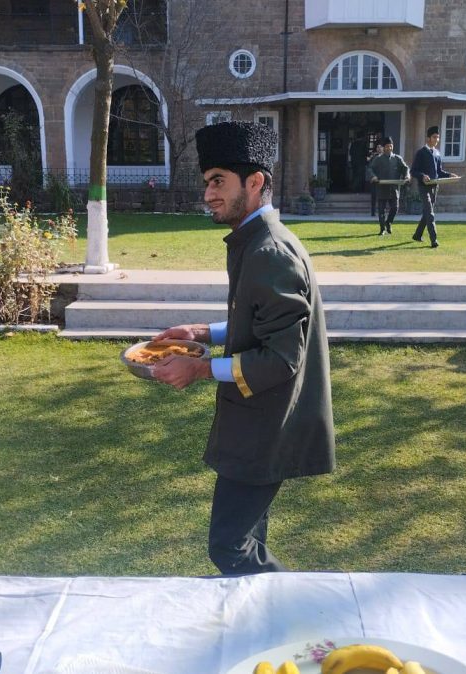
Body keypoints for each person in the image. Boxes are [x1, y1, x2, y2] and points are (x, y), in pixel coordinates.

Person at [150, 121, 336, 575]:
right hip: (257, 421)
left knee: (231, 546)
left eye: (218, 181)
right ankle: (264, 614)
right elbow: (257, 320)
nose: (208, 194)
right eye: (207, 182)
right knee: (247, 539)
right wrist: (202, 333)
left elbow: (281, 357)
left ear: (255, 182)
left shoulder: (269, 251)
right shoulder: (256, 241)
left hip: (266, 427)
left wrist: (199, 369)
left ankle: (300, 609)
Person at [410, 125, 459, 248]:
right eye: (434, 137)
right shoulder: (421, 153)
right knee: (430, 213)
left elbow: (439, 172)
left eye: (438, 137)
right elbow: (413, 171)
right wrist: (422, 176)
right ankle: (434, 240)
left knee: (427, 212)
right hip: (424, 187)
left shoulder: (437, 153)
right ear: (428, 138)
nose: (437, 139)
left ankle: (417, 235)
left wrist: (449, 175)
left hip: (434, 187)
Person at [368, 137, 410, 235]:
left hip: (394, 188)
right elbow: (370, 169)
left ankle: (388, 223)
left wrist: (407, 176)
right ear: (384, 147)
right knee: (381, 210)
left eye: (390, 146)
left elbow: (405, 168)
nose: (389, 148)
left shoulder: (397, 158)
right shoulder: (378, 159)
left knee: (395, 208)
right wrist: (373, 176)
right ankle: (382, 229)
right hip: (382, 188)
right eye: (387, 146)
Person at [366, 142, 383, 217]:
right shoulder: (374, 157)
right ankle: (373, 212)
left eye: (380, 147)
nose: (379, 148)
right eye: (378, 147)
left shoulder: (386, 156)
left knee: (382, 197)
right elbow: (370, 167)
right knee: (374, 196)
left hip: (383, 180)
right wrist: (372, 176)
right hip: (374, 179)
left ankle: (381, 211)